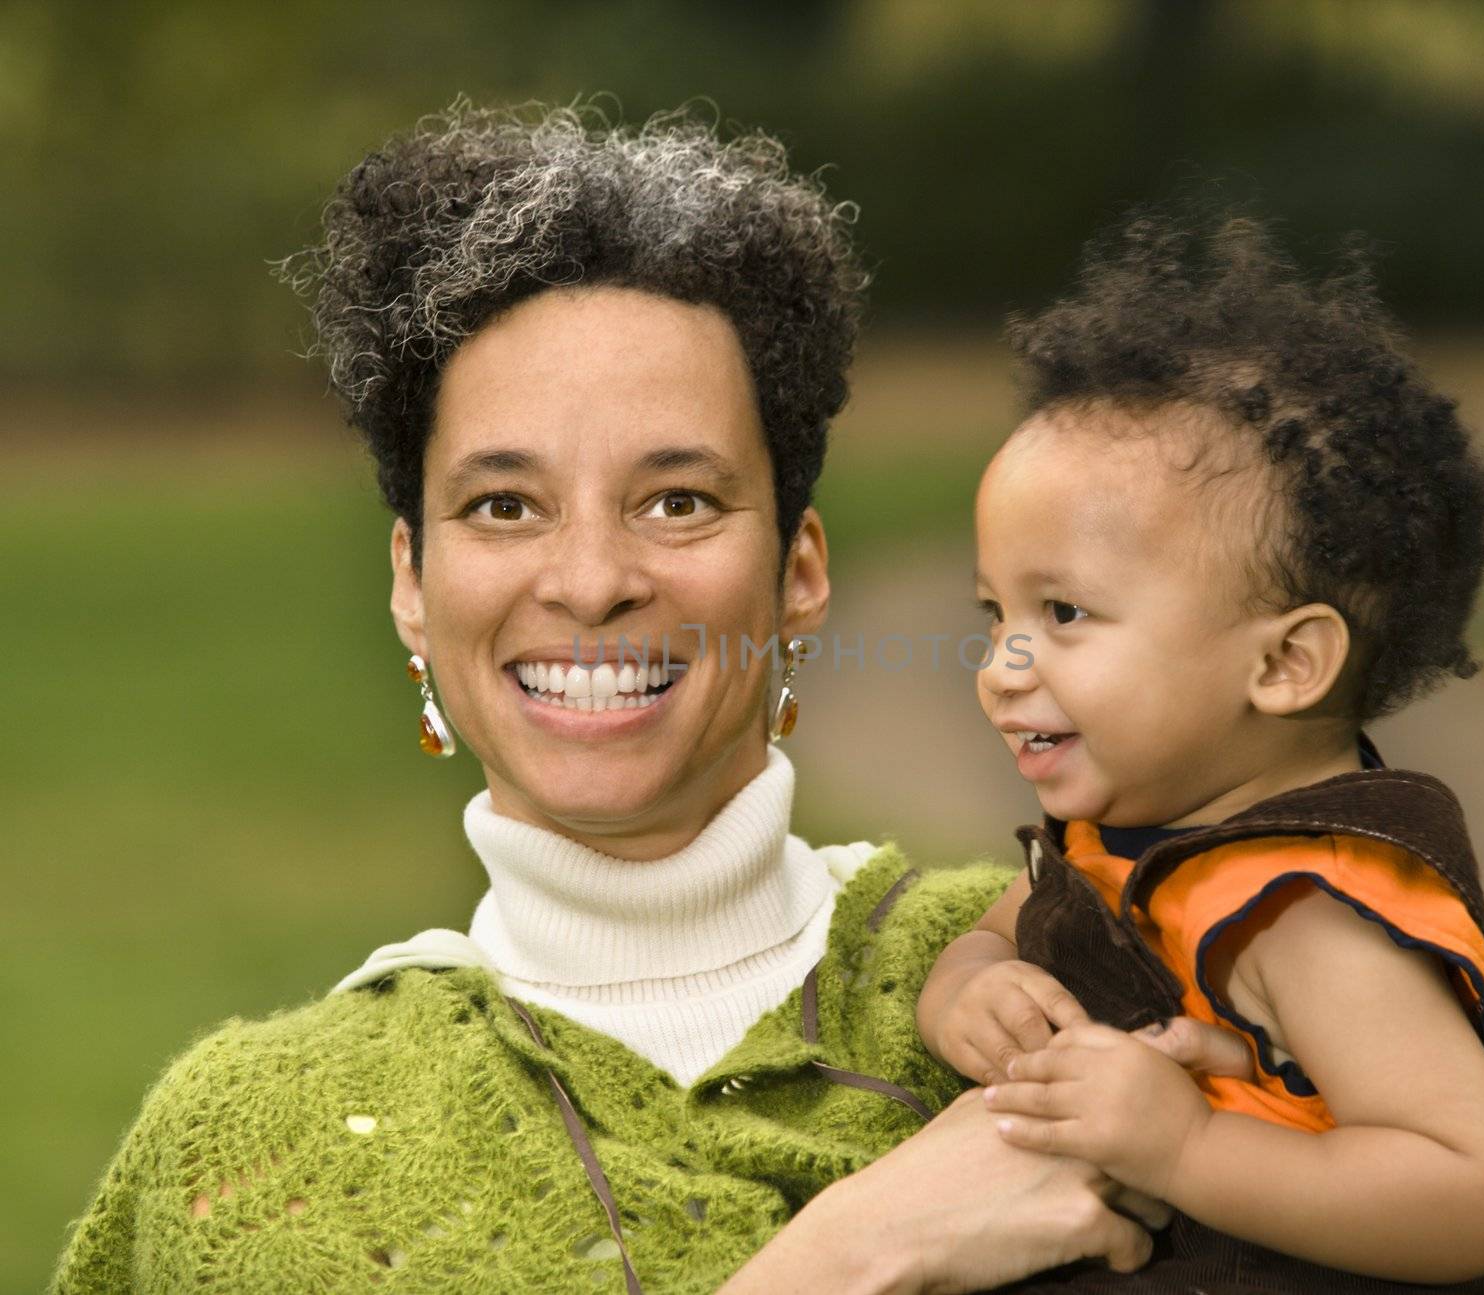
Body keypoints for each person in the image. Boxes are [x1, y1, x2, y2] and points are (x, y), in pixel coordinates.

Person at [51, 104, 1249, 1295]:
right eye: (503, 505)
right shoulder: (257, 1155)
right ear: (413, 582)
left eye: (675, 499)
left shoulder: (1079, 977)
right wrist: (848, 1258)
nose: (589, 583)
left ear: (797, 572)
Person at [916, 208, 1484, 1290]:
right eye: (992, 612)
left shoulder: (1307, 911)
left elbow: (1473, 1196)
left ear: (1285, 664)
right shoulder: (1136, 826)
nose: (1003, 663)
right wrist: (967, 985)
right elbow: (1004, 921)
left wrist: (1188, 1147)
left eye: (1062, 612)